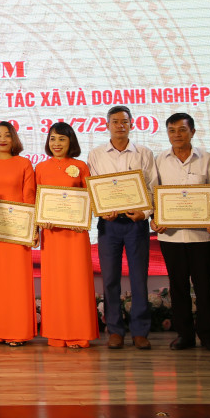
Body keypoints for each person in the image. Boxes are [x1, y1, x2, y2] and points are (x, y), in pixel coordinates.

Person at [151, 113, 210, 352]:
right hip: (171, 235)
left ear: (192, 132)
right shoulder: (159, 160)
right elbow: (153, 194)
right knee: (178, 287)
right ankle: (185, 335)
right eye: (172, 130)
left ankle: (209, 337)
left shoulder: (208, 159)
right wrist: (154, 218)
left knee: (204, 287)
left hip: (203, 235)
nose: (177, 135)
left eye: (182, 130)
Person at [87, 106, 158, 350]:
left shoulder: (144, 153)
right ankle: (115, 330)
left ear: (131, 124)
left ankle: (140, 331)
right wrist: (101, 209)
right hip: (109, 225)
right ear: (107, 124)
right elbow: (93, 188)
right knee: (110, 280)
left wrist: (145, 213)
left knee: (139, 278)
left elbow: (152, 187)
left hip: (136, 223)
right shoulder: (96, 154)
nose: (120, 125)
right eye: (115, 121)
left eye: (124, 121)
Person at [36, 122, 98, 348]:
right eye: (52, 138)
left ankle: (79, 333)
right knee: (55, 283)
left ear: (70, 141)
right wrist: (40, 220)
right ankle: (56, 333)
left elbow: (90, 198)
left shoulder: (80, 166)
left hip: (76, 235)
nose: (57, 143)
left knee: (77, 281)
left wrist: (84, 219)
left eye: (62, 139)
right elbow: (36, 201)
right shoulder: (40, 168)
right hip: (51, 235)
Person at [0, 121, 36, 345]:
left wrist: (32, 229)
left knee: (18, 281)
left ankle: (19, 331)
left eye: (7, 135)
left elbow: (29, 197)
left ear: (14, 139)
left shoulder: (24, 163)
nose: (2, 139)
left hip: (18, 232)